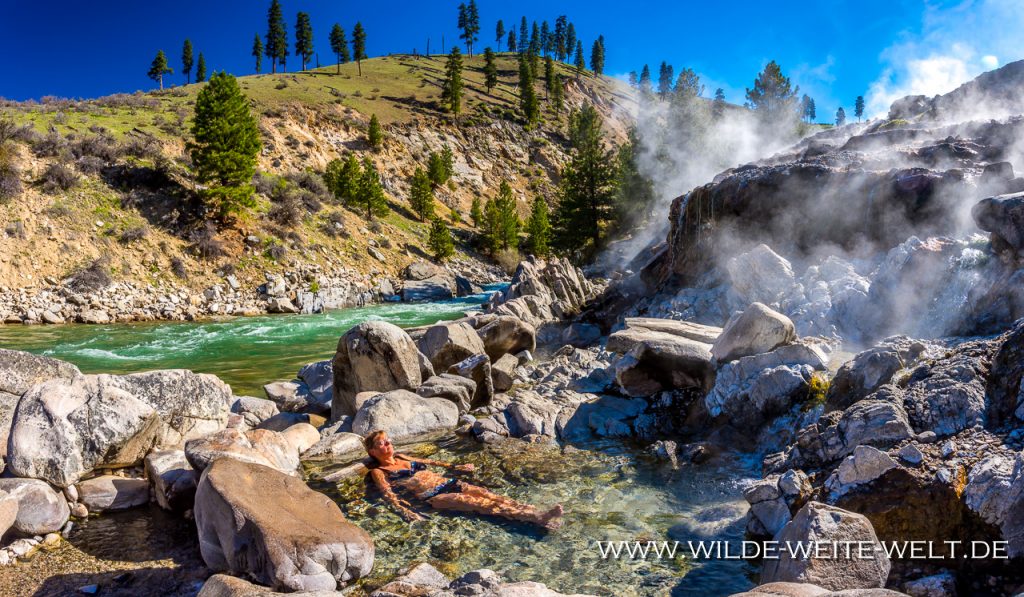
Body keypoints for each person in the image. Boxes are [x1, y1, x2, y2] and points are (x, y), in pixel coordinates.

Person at [363, 430, 563, 529]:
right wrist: (405, 511)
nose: (389, 443)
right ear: (373, 451)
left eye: (388, 440)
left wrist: (455, 467)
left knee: (489, 494)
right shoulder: (379, 471)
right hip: (434, 497)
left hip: (448, 482)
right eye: (383, 442)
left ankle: (532, 512)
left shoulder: (403, 457)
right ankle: (538, 519)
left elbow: (430, 461)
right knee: (481, 504)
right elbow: (387, 494)